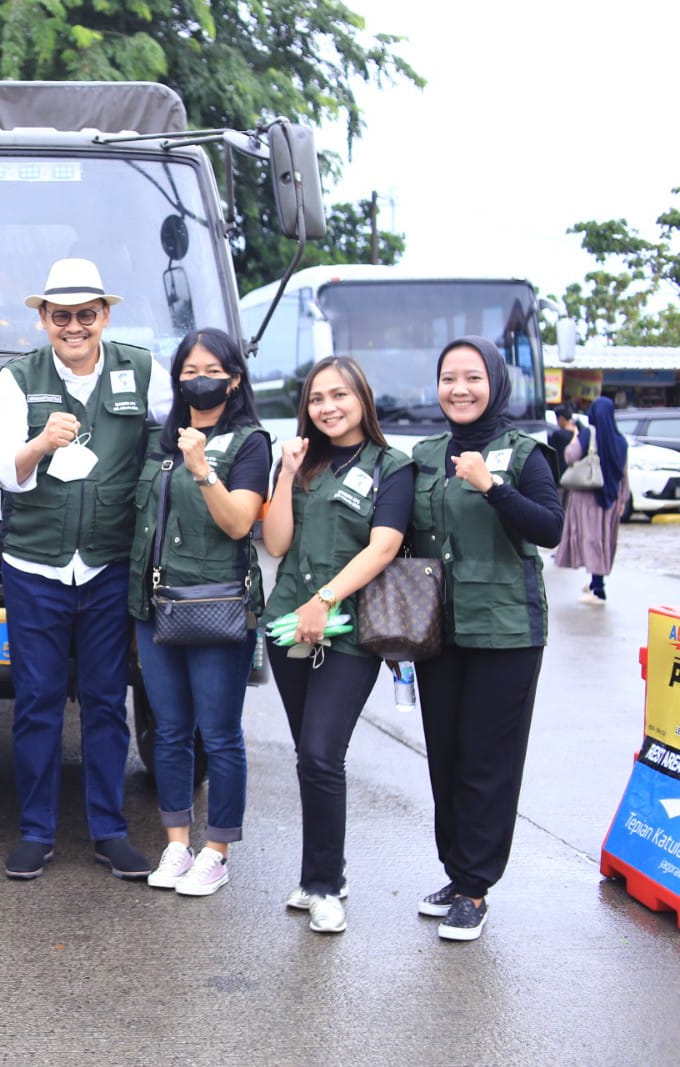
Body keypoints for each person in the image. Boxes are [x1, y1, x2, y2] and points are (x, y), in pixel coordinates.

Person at [0, 257, 154, 882]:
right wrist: (39, 442)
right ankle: (36, 831)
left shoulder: (141, 369)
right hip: (35, 566)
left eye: (87, 314)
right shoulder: (18, 377)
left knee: (108, 701)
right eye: (62, 316)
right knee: (38, 702)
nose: (75, 326)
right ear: (44, 319)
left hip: (109, 566)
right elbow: (3, 471)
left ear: (105, 315)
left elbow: (183, 425)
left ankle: (110, 832)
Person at [409, 336, 564, 941]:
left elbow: (550, 529)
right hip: (438, 631)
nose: (460, 389)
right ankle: (456, 871)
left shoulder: (525, 453)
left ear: (495, 383)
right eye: (449, 377)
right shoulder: (422, 456)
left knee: (487, 760)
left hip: (507, 631)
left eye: (473, 377)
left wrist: (491, 487)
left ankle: (476, 888)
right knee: (445, 753)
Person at [260, 355, 412, 935]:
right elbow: (275, 545)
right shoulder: (305, 462)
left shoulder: (390, 466)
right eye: (317, 398)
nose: (328, 407)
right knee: (310, 760)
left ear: (362, 399)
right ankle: (319, 874)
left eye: (339, 395)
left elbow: (384, 546)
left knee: (323, 754)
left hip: (349, 632)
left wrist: (323, 602)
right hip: (288, 630)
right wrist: (284, 471)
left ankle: (326, 885)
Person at [129, 329, 270, 897]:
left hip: (216, 608)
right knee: (168, 731)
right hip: (153, 606)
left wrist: (202, 467)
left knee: (219, 733)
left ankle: (216, 850)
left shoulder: (250, 443)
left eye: (212, 369)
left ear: (234, 378)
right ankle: (176, 843)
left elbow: (240, 523)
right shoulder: (158, 441)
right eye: (189, 370)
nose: (200, 378)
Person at [553, 395, 629, 605]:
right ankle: (595, 582)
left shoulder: (588, 434)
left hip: (588, 499)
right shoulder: (620, 440)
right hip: (611, 499)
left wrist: (575, 438)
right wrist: (622, 499)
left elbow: (570, 456)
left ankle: (598, 589)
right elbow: (624, 474)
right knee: (602, 541)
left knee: (591, 540)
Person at [546, 403, 579, 477]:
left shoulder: (558, 435)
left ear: (561, 418)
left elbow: (549, 454)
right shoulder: (580, 432)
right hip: (577, 476)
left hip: (561, 476)